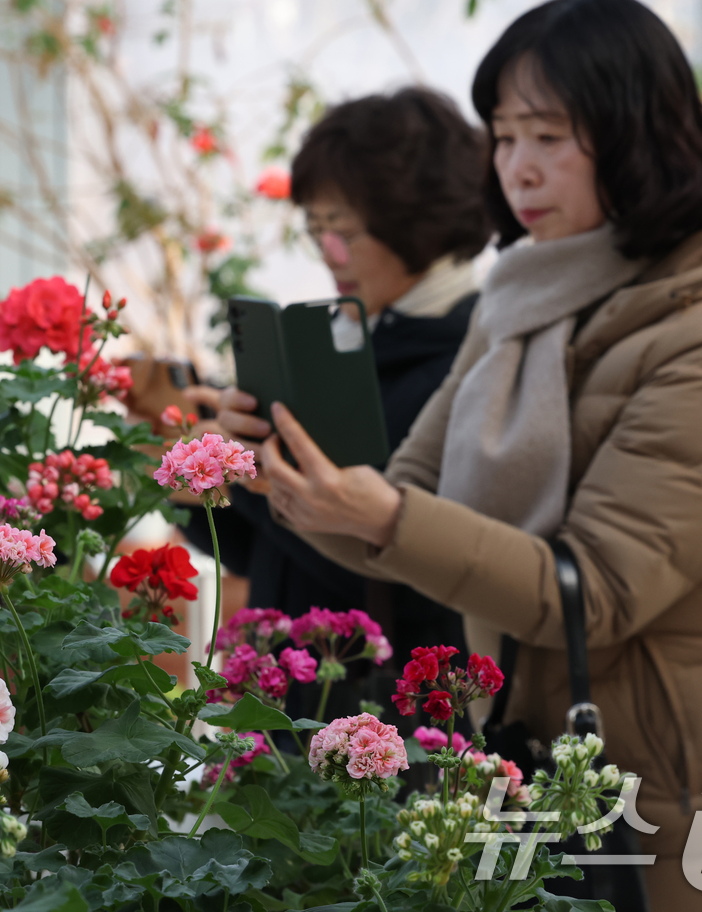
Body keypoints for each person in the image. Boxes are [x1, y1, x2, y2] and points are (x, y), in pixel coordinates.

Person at [214, 0, 702, 910]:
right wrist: (290, 472)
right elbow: (404, 512)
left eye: (548, 137)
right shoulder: (522, 302)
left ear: (636, 135)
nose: (518, 169)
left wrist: (386, 516)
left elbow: (600, 588)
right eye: (503, 138)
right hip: (556, 784)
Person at [172, 87, 490, 726]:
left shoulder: (471, 359)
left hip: (396, 729)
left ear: (414, 219)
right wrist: (203, 483)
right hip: (301, 710)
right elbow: (269, 555)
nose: (327, 254)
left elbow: (386, 571)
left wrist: (260, 474)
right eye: (315, 229)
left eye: (340, 230)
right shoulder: (359, 341)